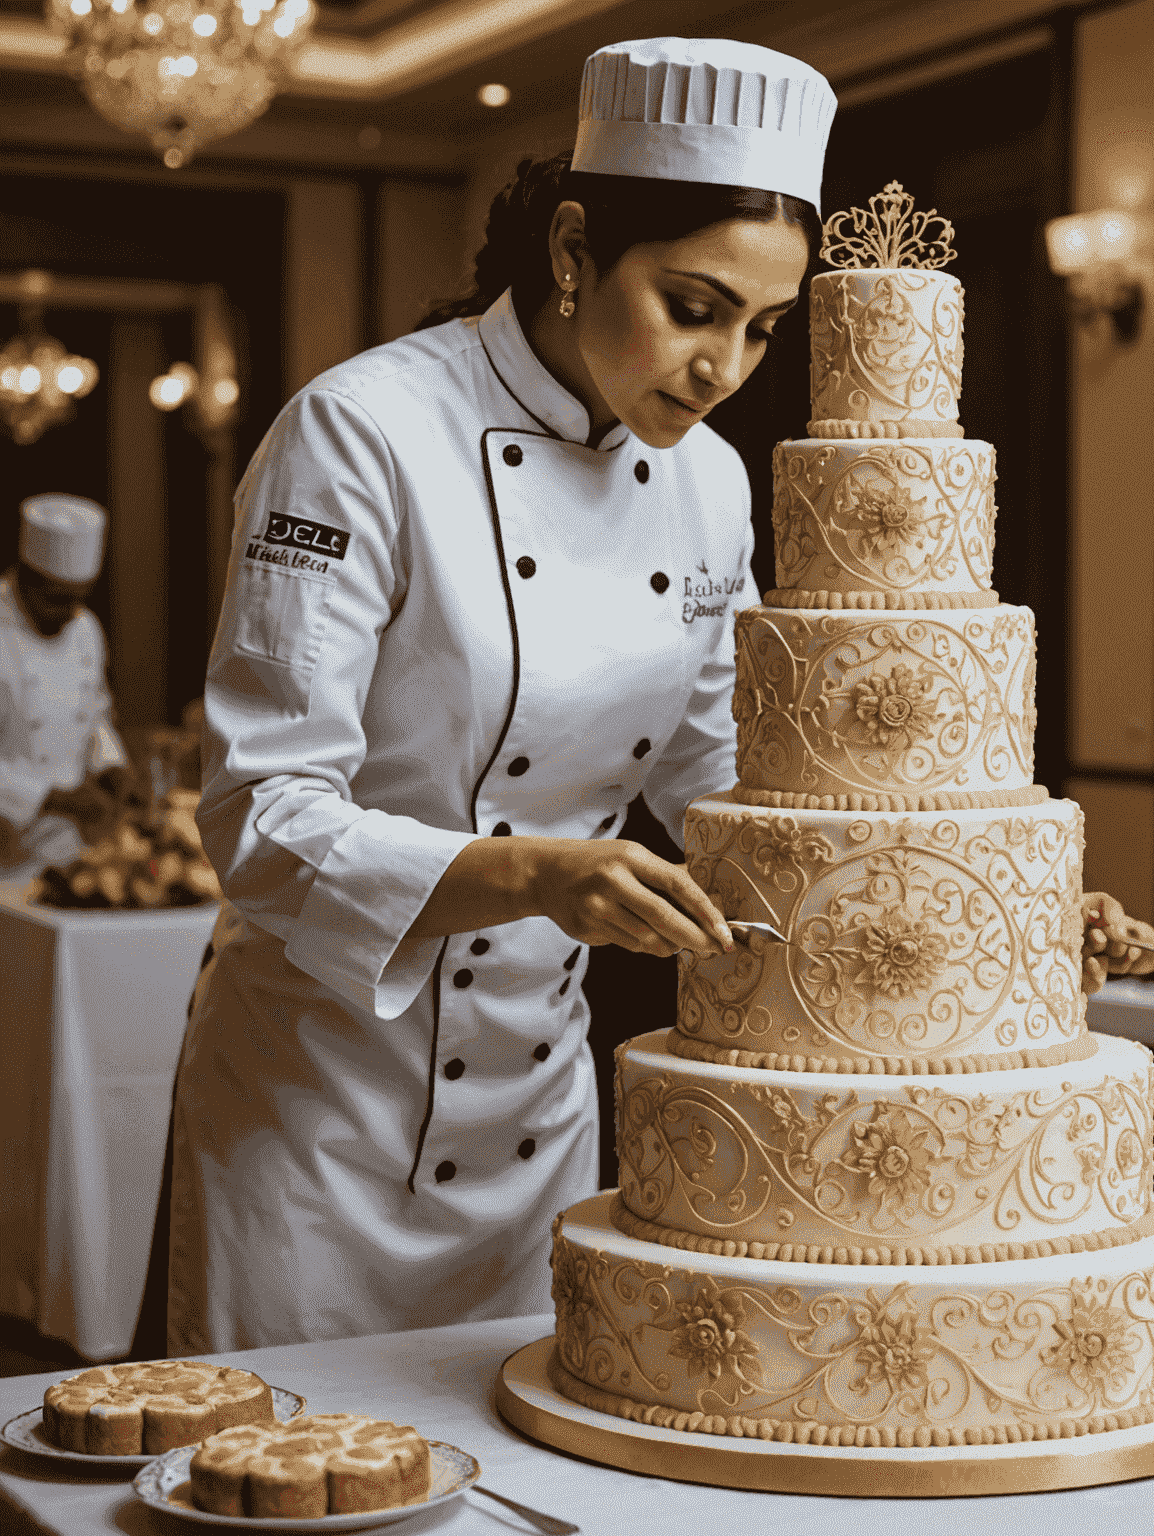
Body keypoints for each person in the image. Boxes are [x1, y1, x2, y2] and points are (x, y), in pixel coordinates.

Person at [169, 36, 838, 1353]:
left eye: (763, 328)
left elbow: (727, 784)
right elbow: (262, 821)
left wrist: (978, 898)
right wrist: (540, 876)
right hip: (322, 1117)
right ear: (576, 248)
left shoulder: (707, 484)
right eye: (695, 306)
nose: (725, 371)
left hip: (542, 1113)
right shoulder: (359, 433)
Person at [0, 494, 128, 877]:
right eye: (57, 599)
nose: (70, 616)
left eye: (79, 600)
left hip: (64, 847)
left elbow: (94, 713)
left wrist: (112, 766)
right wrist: (52, 797)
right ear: (25, 575)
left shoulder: (85, 627)